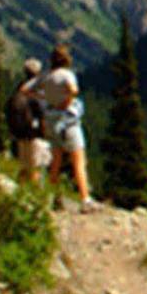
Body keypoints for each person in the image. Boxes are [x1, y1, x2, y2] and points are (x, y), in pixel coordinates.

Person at [39, 43, 92, 208]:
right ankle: (85, 199)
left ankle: (50, 198)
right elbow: (74, 90)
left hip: (51, 121)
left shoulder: (47, 77)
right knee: (78, 160)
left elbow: (32, 90)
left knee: (55, 162)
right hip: (68, 122)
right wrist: (67, 101)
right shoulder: (67, 75)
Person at [6, 58, 49, 185]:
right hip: (34, 133)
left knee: (24, 166)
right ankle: (35, 192)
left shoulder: (20, 88)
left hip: (20, 133)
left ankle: (21, 189)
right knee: (35, 166)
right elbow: (41, 111)